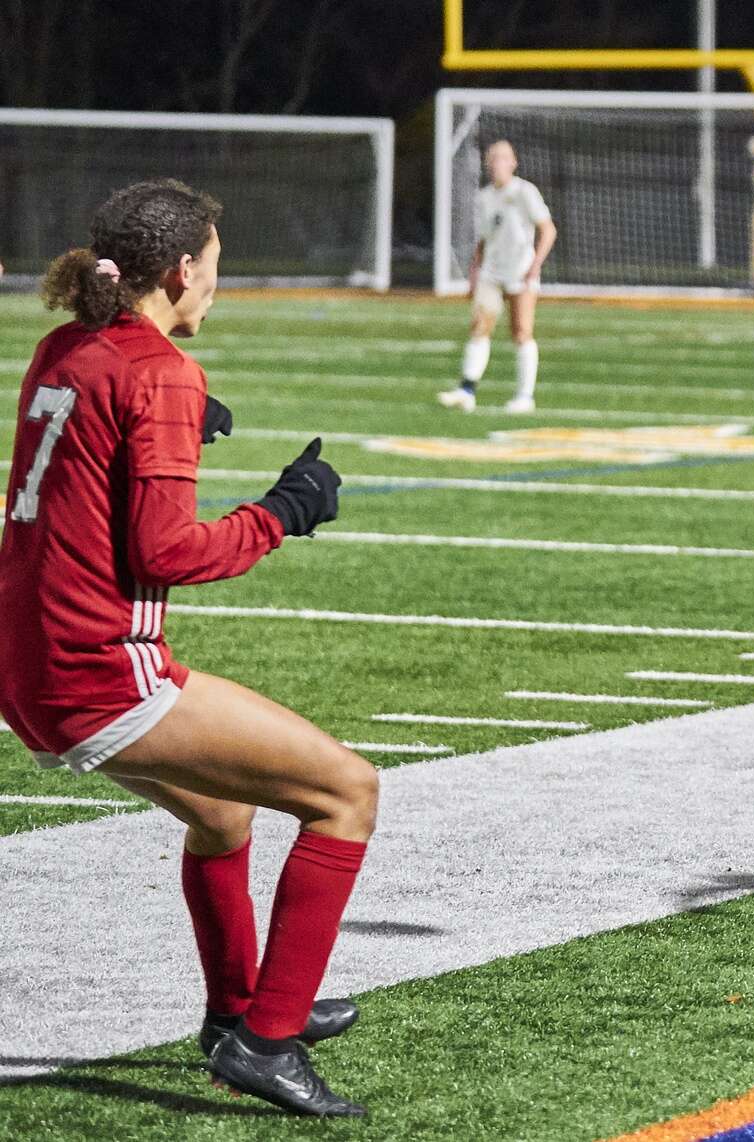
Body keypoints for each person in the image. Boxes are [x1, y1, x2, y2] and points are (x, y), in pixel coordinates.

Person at [1, 179, 375, 1117]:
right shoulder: (160, 371)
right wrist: (282, 513)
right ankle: (268, 1040)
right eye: (214, 267)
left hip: (24, 656)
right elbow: (167, 552)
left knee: (222, 818)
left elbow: (89, 444)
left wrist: (165, 425)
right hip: (94, 666)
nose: (217, 284)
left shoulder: (65, 344)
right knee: (347, 792)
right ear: (181, 271)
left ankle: (235, 1012)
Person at [439, 139, 558, 415]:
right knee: (480, 326)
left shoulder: (525, 192)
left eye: (502, 158)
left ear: (513, 163)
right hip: (491, 272)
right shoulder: (484, 197)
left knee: (521, 332)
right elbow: (483, 240)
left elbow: (548, 230)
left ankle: (525, 396)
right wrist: (474, 270)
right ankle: (466, 390)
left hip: (521, 271)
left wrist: (536, 264)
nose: (496, 164)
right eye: (492, 159)